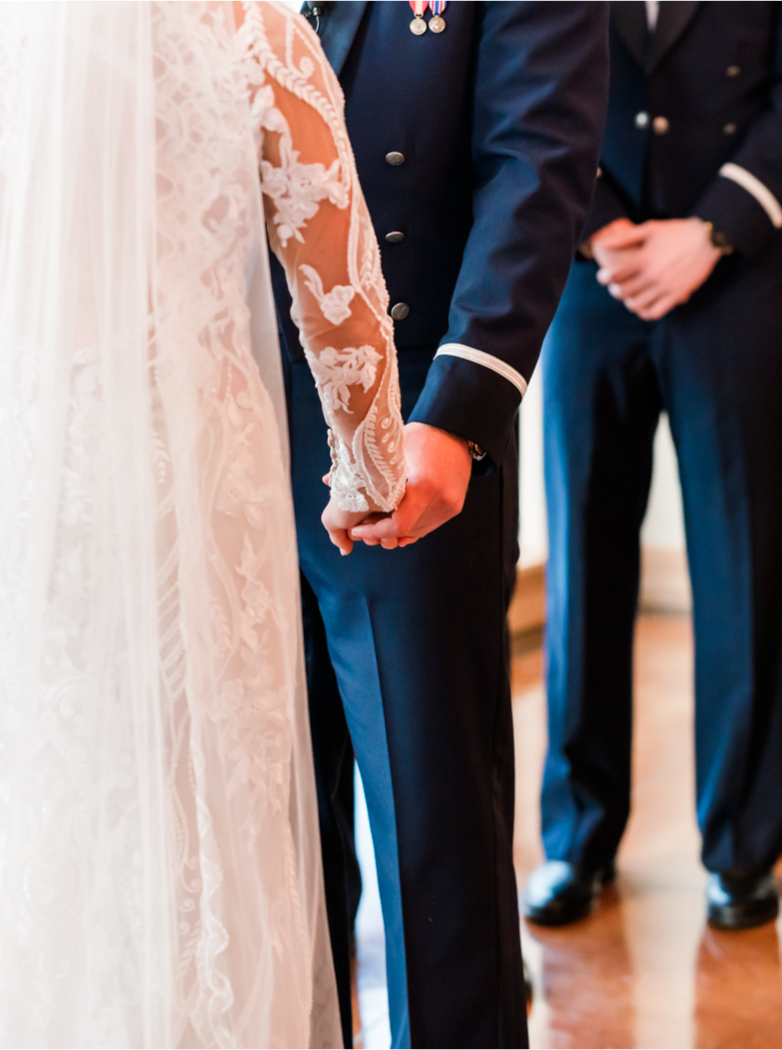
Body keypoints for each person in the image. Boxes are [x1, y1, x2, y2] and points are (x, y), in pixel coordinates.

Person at [0, 2, 410, 1045]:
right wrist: (370, 469)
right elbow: (339, 291)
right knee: (187, 852)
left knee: (17, 843)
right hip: (178, 499)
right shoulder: (232, 22)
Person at [272, 2, 608, 1045]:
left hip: (405, 439)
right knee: (269, 842)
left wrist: (454, 411)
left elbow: (536, 165)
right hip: (220, 443)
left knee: (435, 845)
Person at [526, 1, 782, 932]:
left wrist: (710, 230)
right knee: (583, 560)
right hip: (593, 271)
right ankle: (576, 837)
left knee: (742, 558)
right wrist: (595, 225)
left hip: (740, 273)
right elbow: (523, 70)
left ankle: (742, 845)